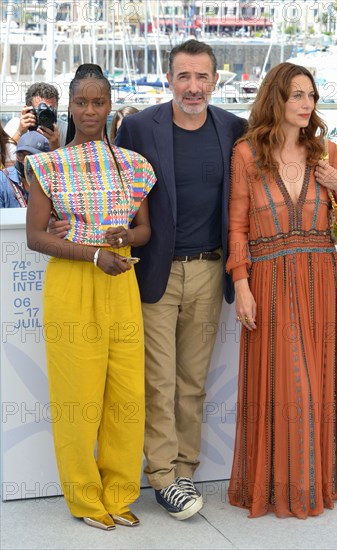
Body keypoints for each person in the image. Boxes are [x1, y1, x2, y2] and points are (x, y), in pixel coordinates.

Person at [115, 39, 247, 520]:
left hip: (211, 271)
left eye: (202, 77)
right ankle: (164, 476)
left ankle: (186, 468)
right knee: (158, 381)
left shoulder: (234, 128)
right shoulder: (139, 127)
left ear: (215, 80)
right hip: (156, 272)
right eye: (184, 76)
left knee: (192, 382)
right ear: (169, 79)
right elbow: (115, 189)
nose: (193, 87)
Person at [25, 63, 156, 530]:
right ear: (69, 106)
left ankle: (120, 493)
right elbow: (36, 238)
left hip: (121, 280)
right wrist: (93, 253)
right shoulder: (45, 164)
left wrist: (125, 237)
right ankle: (84, 498)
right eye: (81, 102)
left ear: (109, 106)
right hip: (73, 283)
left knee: (125, 395)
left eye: (99, 102)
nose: (90, 111)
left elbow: (145, 230)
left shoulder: (133, 165)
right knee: (77, 398)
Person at [226, 62, 337, 519]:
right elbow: (237, 226)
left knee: (317, 381)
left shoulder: (327, 153)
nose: (307, 105)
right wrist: (241, 284)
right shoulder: (246, 155)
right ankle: (280, 486)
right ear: (276, 99)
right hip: (270, 281)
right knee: (286, 382)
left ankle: (315, 482)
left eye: (312, 96)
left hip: (321, 276)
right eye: (297, 95)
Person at [4, 82, 66, 151]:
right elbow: (5, 156)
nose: (45, 115)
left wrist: (56, 147)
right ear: (27, 109)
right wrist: (19, 133)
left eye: (50, 109)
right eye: (40, 110)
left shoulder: (64, 129)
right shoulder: (15, 125)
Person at [0, 131, 49, 208]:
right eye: (20, 155)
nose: (24, 161)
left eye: (31, 156)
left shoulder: (52, 181)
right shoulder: (2, 180)